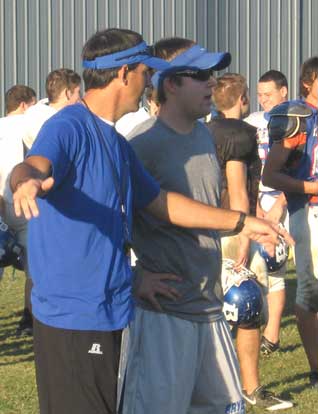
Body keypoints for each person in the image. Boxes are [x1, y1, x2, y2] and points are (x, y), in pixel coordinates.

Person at [11, 29, 291, 414]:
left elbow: (161, 204)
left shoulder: (115, 143)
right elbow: (34, 164)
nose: (149, 83)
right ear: (124, 74)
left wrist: (242, 223)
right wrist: (24, 181)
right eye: (146, 72)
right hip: (71, 319)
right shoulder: (69, 126)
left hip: (109, 311)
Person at [121, 38, 291, 414]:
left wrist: (245, 227)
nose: (211, 84)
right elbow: (109, 223)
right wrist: (133, 278)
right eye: (199, 76)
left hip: (208, 306)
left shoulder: (203, 135)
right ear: (170, 84)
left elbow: (205, 211)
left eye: (212, 75)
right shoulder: (142, 145)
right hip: (165, 313)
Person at [207, 73, 293, 411]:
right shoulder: (242, 135)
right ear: (242, 99)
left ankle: (222, 384)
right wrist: (246, 233)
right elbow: (240, 188)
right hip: (234, 226)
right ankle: (248, 386)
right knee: (247, 306)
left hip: (208, 227)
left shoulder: (204, 131)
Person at [263, 56, 318, 389]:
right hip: (310, 210)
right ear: (307, 82)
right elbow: (272, 173)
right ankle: (315, 369)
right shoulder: (297, 117)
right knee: (311, 291)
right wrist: (312, 187)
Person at [245, 70, 289, 355]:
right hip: (258, 203)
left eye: (268, 94)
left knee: (279, 265)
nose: (263, 100)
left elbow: (304, 166)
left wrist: (280, 204)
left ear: (284, 91)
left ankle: (272, 332)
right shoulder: (251, 122)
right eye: (259, 94)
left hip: (289, 202)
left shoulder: (298, 120)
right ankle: (261, 328)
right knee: (259, 266)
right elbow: (248, 168)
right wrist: (258, 206)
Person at [0, 84, 36, 335]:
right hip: (22, 202)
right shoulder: (28, 126)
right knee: (34, 264)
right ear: (24, 105)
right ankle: (28, 318)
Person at [22, 68, 81, 150]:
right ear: (67, 93)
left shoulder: (30, 116)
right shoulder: (60, 124)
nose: (80, 98)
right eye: (78, 92)